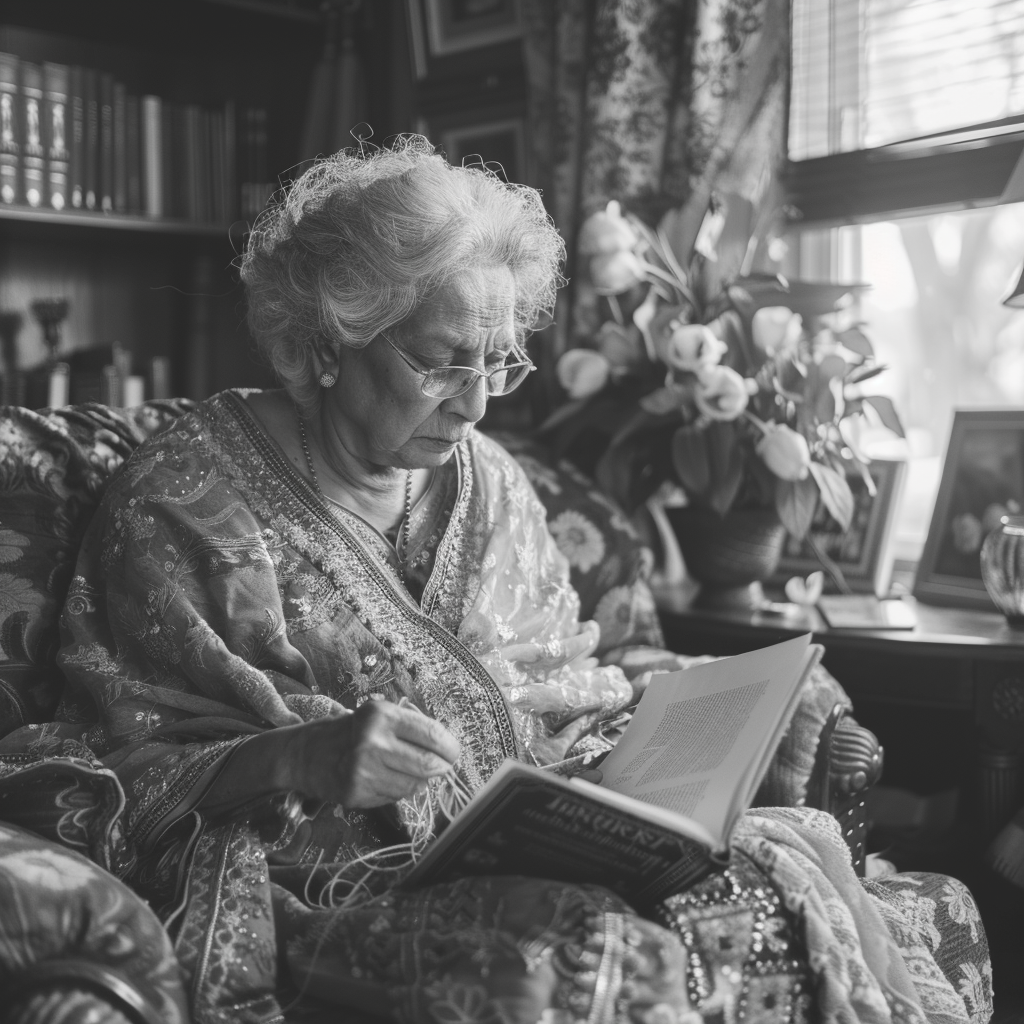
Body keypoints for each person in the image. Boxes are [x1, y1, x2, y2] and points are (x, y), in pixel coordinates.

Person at [0, 139, 977, 1024]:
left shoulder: (493, 480)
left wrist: (684, 731)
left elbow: (566, 688)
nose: (474, 401)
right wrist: (299, 757)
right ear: (329, 341)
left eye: (499, 360)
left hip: (532, 837)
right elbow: (96, 767)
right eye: (439, 361)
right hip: (323, 880)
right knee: (590, 961)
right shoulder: (181, 498)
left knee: (762, 889)